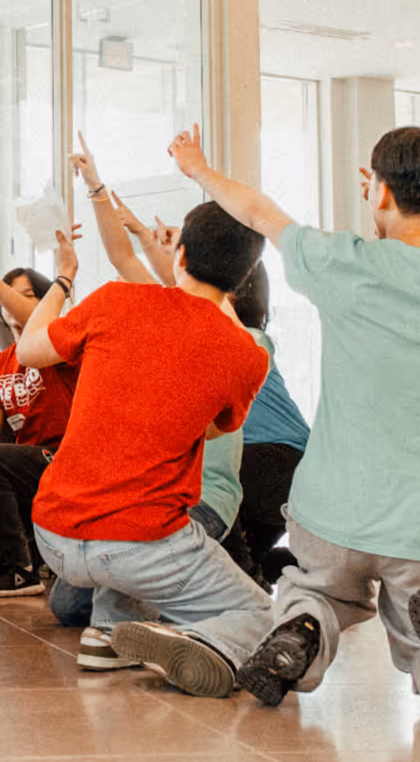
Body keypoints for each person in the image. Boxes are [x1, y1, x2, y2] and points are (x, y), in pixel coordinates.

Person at [173, 124, 420, 737]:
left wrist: (197, 168)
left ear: (377, 192)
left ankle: (305, 625)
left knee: (313, 588)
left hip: (329, 513)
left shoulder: (340, 261)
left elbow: (258, 212)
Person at [15, 210, 273, 700]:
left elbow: (28, 350)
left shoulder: (115, 299)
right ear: (244, 279)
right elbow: (214, 431)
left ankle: (108, 633)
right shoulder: (247, 354)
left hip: (53, 533)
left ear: (179, 254)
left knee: (135, 503)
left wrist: (64, 278)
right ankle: (196, 640)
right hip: (140, 549)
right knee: (264, 617)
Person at [0, 253, 70, 598]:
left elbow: (37, 321)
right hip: (26, 467)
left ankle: (22, 571)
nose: (9, 300)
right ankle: (35, 553)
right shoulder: (2, 361)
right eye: (5, 294)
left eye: (23, 293)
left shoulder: (57, 342)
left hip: (64, 457)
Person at [225, 264, 311, 587]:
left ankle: (251, 574)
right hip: (293, 468)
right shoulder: (253, 338)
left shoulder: (249, 338)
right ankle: (271, 566)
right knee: (241, 559)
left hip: (267, 462)